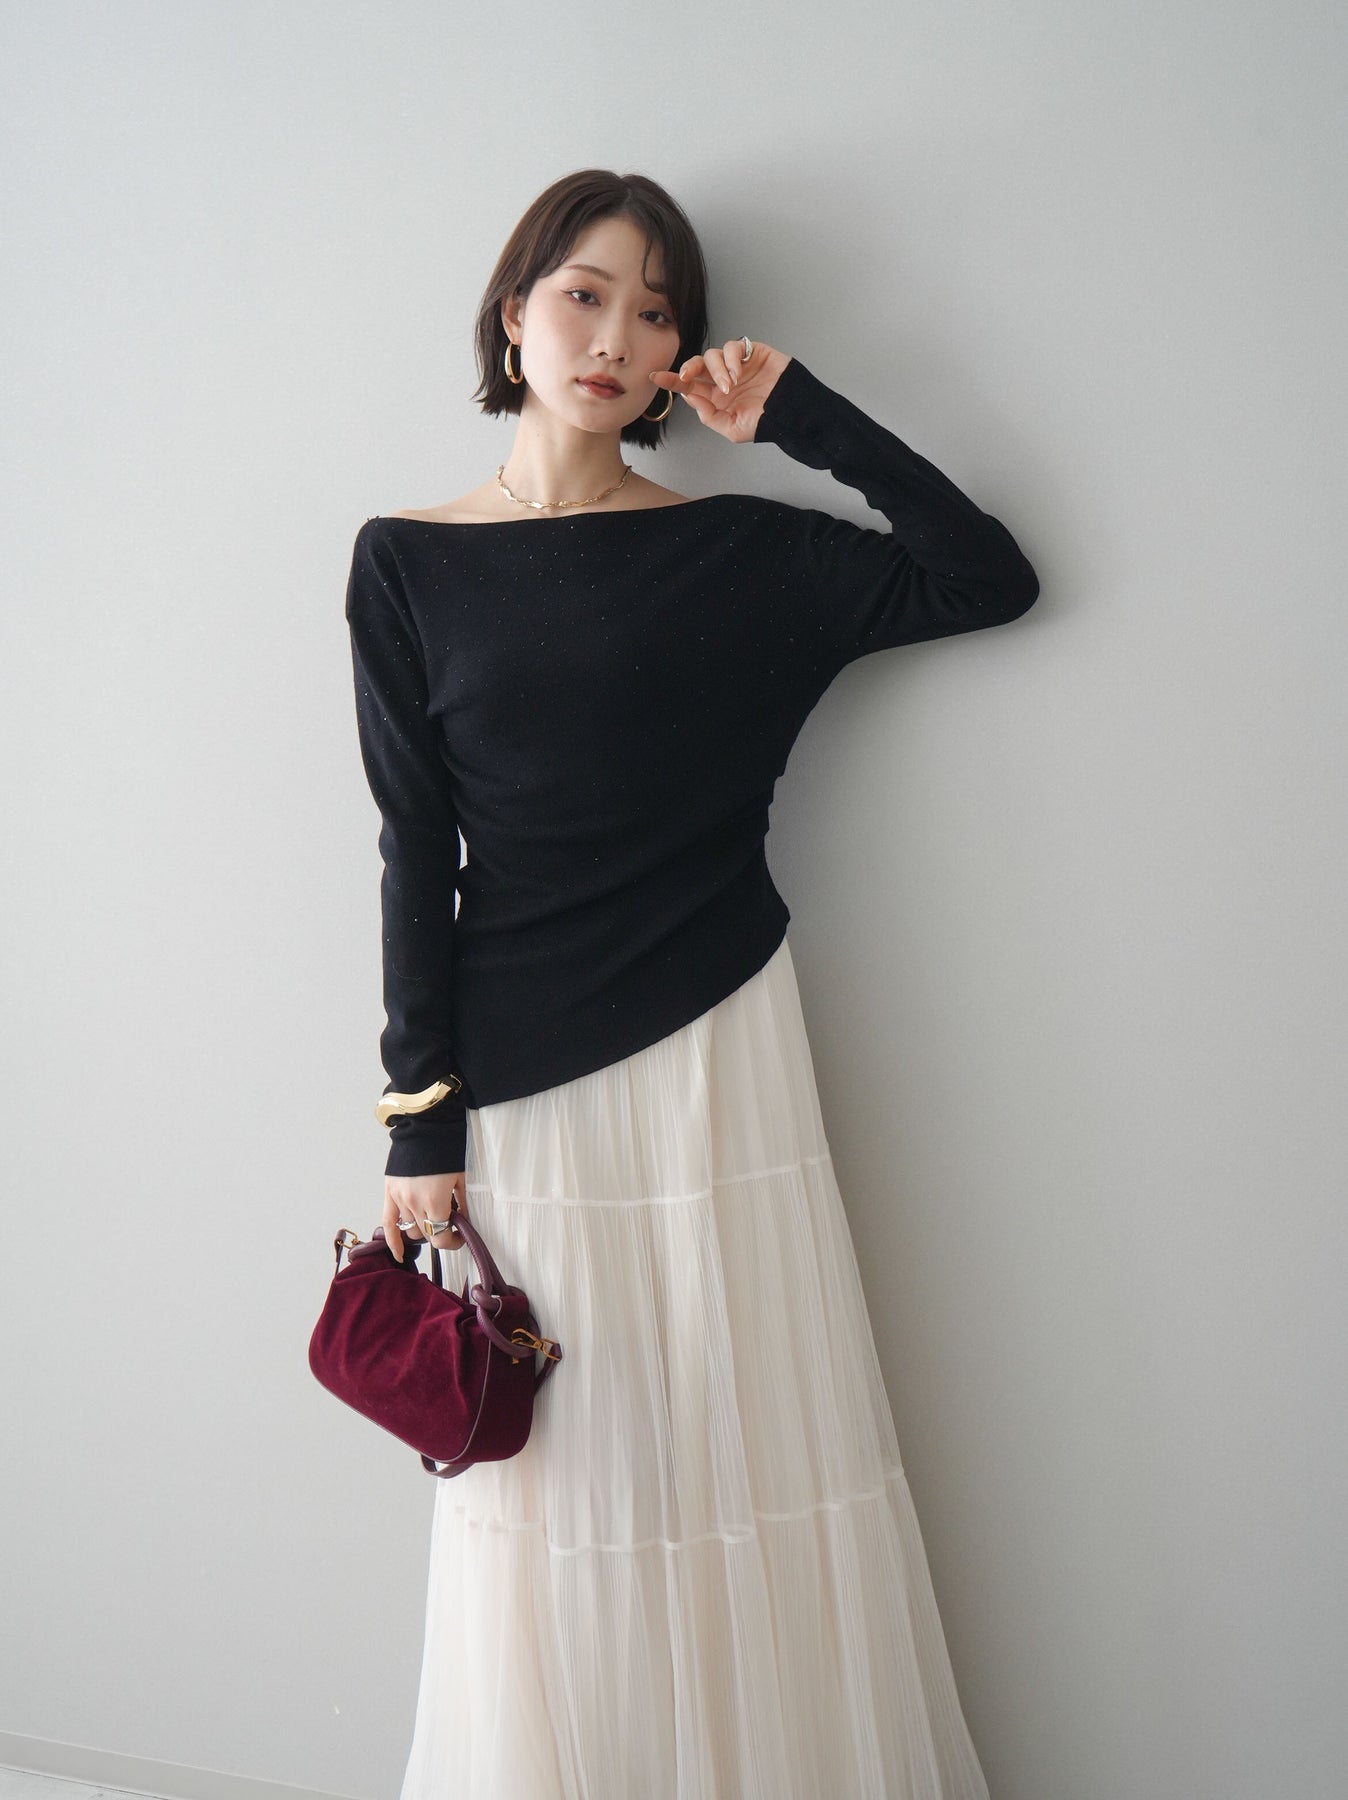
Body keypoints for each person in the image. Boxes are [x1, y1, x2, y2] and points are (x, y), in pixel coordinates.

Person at [344, 167, 1038, 1799]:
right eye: (585, 294)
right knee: (564, 1485)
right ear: (513, 314)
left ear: (682, 358)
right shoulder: (405, 564)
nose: (617, 336)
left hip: (722, 1057)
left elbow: (984, 578)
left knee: (743, 1445)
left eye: (657, 313)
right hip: (522, 1092)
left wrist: (804, 417)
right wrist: (416, 1117)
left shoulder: (740, 552)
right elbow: (412, 853)